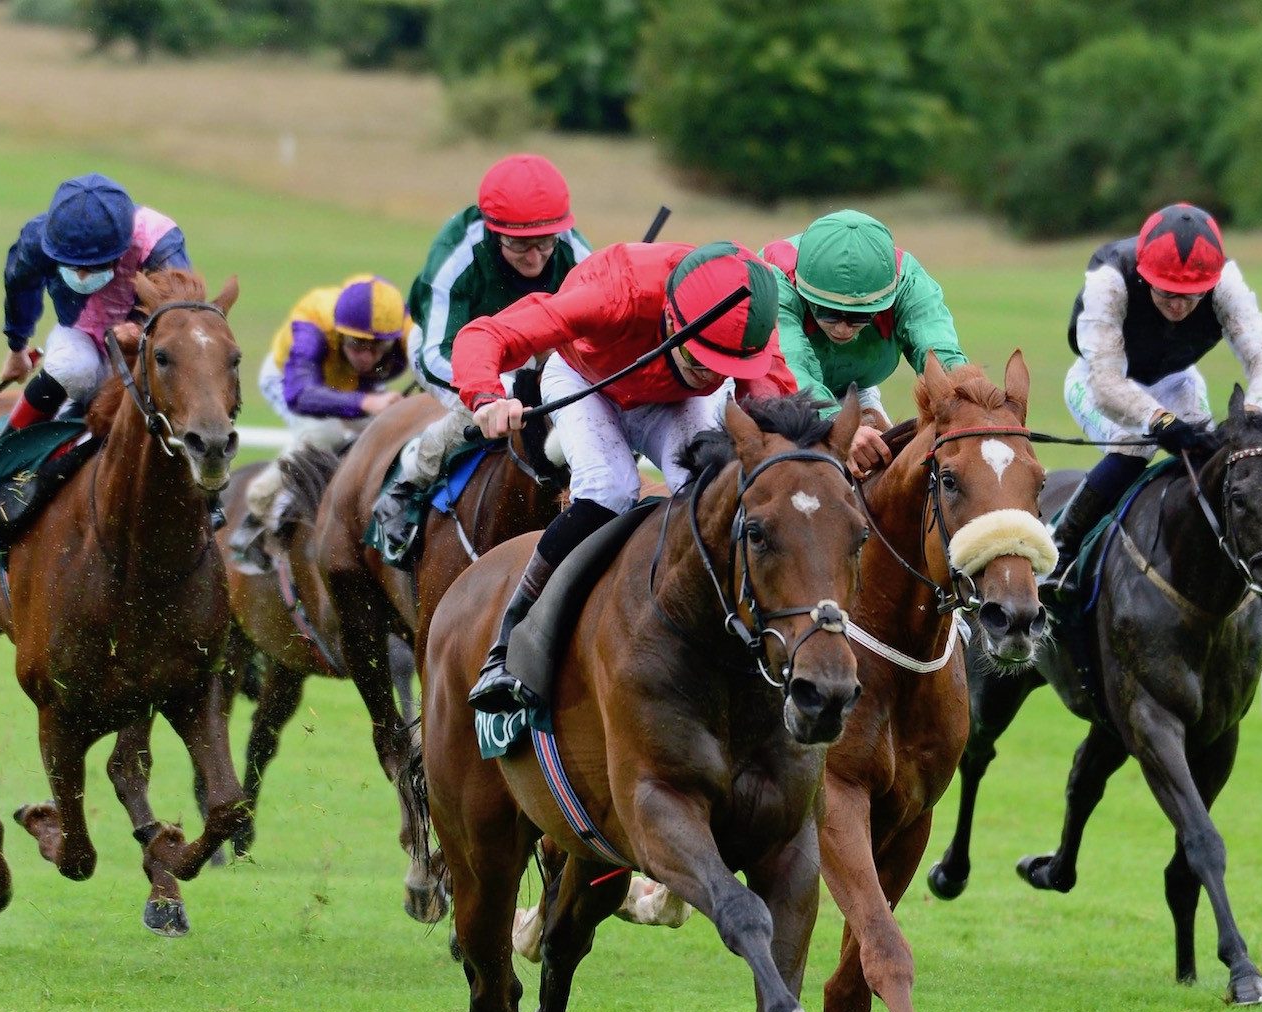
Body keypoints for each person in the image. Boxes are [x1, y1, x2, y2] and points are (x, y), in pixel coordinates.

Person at [449, 239, 796, 713]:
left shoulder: (751, 323)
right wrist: (486, 396)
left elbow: (773, 407)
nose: (708, 375)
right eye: (699, 361)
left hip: (671, 403)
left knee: (713, 493)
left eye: (722, 371)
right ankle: (511, 639)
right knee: (610, 489)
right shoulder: (614, 294)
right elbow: (486, 334)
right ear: (673, 320)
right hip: (588, 381)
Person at [1050, 201, 1262, 578]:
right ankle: (1060, 549)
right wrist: (1158, 419)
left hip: (1177, 380)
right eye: (1167, 293)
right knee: (1138, 444)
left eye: (1191, 295)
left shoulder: (1226, 283)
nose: (1179, 306)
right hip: (1099, 380)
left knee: (1208, 461)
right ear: (1144, 277)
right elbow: (1107, 382)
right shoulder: (1109, 280)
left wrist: (1252, 414)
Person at [370, 155, 591, 556]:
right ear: (494, 231)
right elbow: (438, 350)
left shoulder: (574, 248)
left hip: (533, 346)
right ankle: (407, 483)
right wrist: (489, 392)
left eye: (545, 243)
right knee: (479, 407)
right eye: (520, 245)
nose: (536, 258)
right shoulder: (458, 252)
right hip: (449, 349)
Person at [761, 209, 967, 477]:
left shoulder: (908, 282)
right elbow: (792, 364)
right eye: (828, 312)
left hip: (855, 386)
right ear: (804, 290)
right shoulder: (775, 279)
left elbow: (940, 354)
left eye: (860, 317)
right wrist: (837, 425)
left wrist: (967, 404)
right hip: (772, 385)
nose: (843, 329)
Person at [232, 276, 411, 565]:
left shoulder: (406, 327)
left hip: (352, 384)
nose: (366, 357)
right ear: (339, 334)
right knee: (324, 434)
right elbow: (299, 394)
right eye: (356, 344)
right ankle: (260, 501)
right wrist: (367, 402)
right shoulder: (312, 325)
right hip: (290, 380)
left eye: (377, 347)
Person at [0, 174, 190, 432]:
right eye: (72, 265)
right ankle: (2, 450)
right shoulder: (39, 238)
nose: (81, 276)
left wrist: (141, 332)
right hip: (80, 334)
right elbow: (20, 284)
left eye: (93, 266)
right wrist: (16, 347)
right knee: (73, 369)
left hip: (145, 352)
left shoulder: (158, 243)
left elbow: (182, 318)